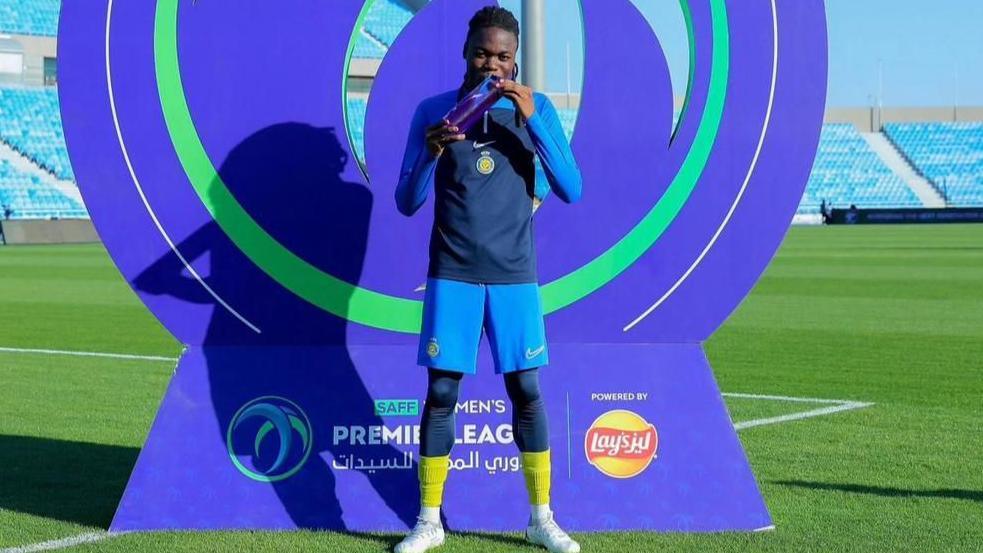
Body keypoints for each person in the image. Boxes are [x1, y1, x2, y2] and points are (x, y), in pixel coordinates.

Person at [393, 7, 582, 553]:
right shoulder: (435, 112)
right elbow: (407, 202)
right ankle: (429, 520)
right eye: (482, 52)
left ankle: (540, 517)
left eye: (502, 55)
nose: (491, 64)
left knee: (526, 389)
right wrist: (430, 154)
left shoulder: (536, 108)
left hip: (515, 277)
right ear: (465, 51)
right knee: (442, 390)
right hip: (452, 274)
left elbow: (571, 187)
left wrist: (534, 120)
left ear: (515, 57)